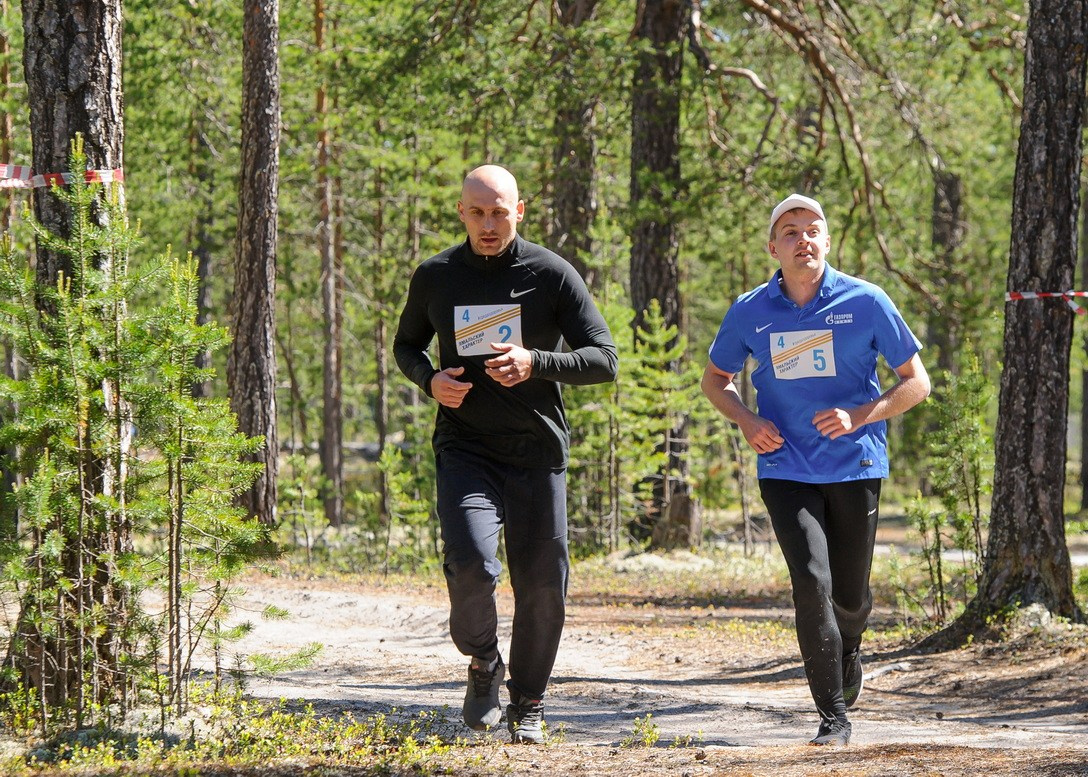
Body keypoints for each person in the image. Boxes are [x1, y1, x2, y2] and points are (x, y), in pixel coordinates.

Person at [393, 164, 618, 744]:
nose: (489, 224)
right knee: (470, 563)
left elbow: (604, 359)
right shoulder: (436, 275)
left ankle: (530, 701)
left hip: (536, 450)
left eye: (500, 212)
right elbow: (407, 344)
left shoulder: (550, 274)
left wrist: (537, 362)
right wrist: (429, 380)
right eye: (478, 212)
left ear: (519, 211)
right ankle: (484, 662)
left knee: (544, 582)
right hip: (466, 447)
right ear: (462, 213)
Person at [701, 193, 930, 747]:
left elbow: (916, 382)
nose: (803, 239)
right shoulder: (750, 310)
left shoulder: (867, 301)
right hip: (786, 465)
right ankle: (833, 717)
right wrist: (746, 419)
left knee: (850, 596)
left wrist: (860, 414)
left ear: (827, 241)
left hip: (855, 466)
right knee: (811, 581)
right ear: (772, 247)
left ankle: (849, 646)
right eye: (790, 231)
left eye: (813, 229)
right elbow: (715, 379)